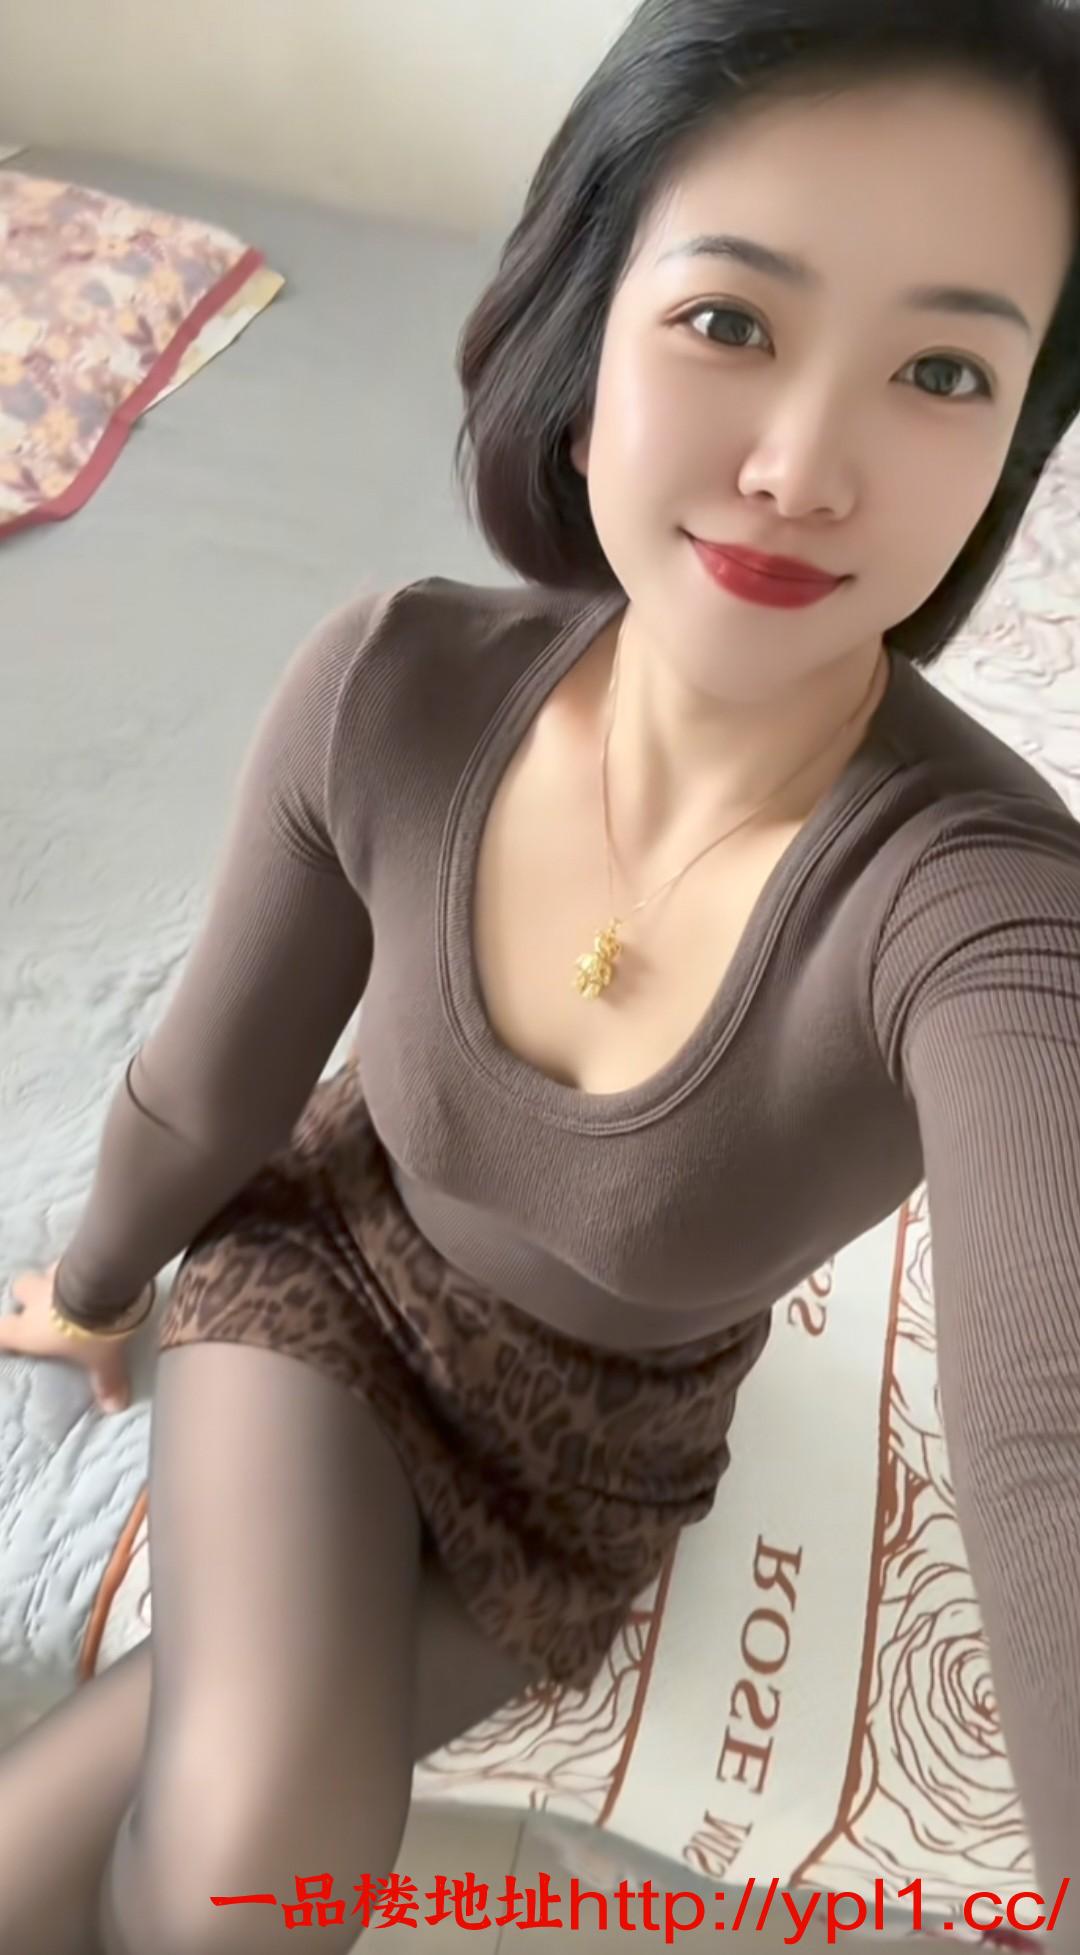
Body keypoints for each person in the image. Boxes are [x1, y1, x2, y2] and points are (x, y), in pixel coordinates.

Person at [2, 0, 1080, 1947]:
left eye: (940, 370)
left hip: (584, 1467)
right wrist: (88, 1290)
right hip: (324, 1285)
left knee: (148, 1856)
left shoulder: (988, 908)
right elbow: (206, 1085)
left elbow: (1050, 1443)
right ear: (589, 322)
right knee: (243, 1867)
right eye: (731, 319)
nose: (802, 467)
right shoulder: (395, 685)